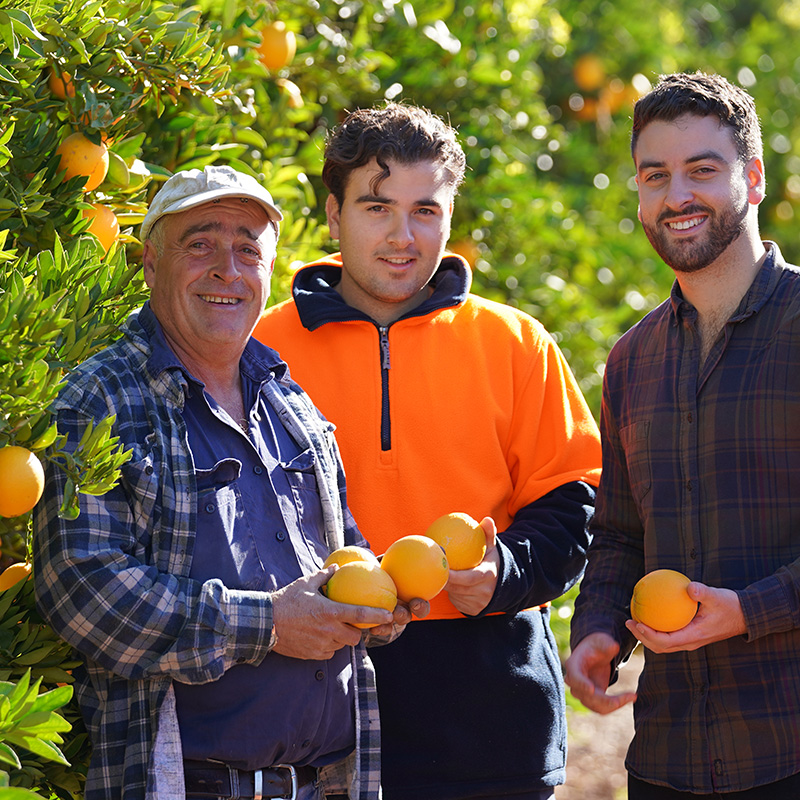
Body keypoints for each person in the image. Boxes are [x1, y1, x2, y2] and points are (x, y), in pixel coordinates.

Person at [33, 164, 425, 800]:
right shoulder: (100, 398)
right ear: (149, 262)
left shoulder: (288, 399)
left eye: (248, 249)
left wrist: (370, 603)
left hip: (327, 782)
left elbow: (337, 552)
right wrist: (266, 623)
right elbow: (82, 588)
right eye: (200, 244)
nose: (228, 269)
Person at [254, 103, 602, 800]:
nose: (402, 236)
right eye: (377, 208)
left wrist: (502, 570)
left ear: (450, 215)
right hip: (312, 712)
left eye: (426, 210)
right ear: (333, 214)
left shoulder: (515, 343)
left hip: (490, 719)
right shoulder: (261, 350)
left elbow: (575, 504)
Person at [565, 72, 800, 799]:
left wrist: (750, 610)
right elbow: (619, 533)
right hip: (669, 760)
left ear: (753, 177)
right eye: (655, 175)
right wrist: (598, 629)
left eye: (703, 170)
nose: (677, 197)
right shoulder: (632, 360)